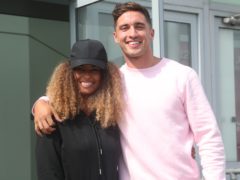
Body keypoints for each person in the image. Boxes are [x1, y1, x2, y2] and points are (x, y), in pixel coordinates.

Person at [33, 2, 226, 180]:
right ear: (116, 37)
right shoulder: (113, 82)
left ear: (151, 33)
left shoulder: (182, 76)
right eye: (124, 28)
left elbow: (208, 137)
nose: (132, 33)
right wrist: (40, 103)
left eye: (139, 26)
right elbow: (72, 90)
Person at [35, 39, 124, 180]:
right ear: (68, 73)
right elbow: (48, 172)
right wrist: (40, 104)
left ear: (105, 75)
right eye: (80, 69)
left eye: (94, 69)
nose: (87, 76)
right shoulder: (54, 117)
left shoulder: (111, 116)